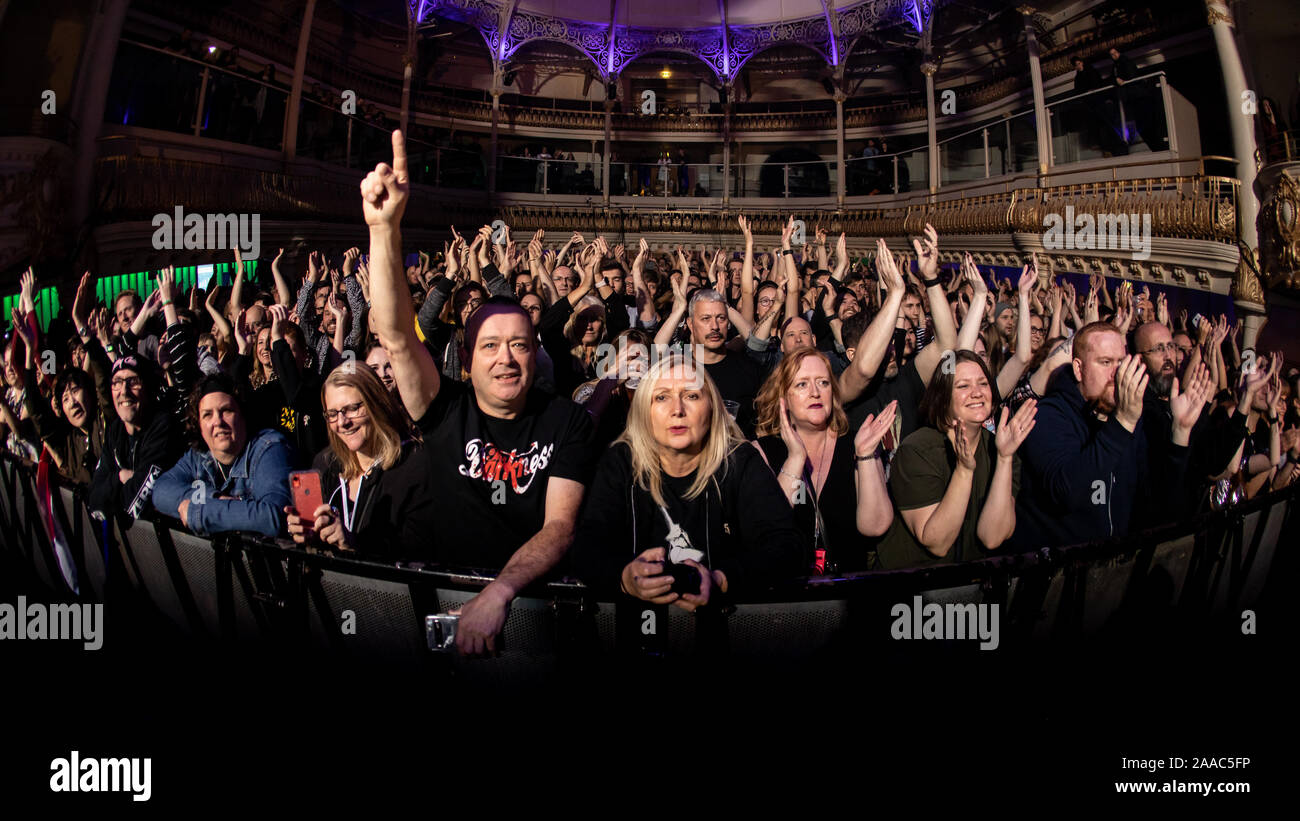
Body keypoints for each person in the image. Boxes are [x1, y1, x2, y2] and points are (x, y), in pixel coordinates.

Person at [361, 129, 595, 655]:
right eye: (490, 346)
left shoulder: (567, 422)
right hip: (448, 602)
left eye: (519, 345)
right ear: (466, 360)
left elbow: (559, 528)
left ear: (537, 354)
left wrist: (500, 592)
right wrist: (383, 230)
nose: (506, 358)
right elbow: (396, 333)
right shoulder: (443, 408)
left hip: (533, 609)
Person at [571, 354, 803, 608]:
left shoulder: (740, 461)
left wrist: (720, 580)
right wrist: (625, 578)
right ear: (643, 411)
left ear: (713, 407)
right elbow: (587, 546)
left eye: (691, 395)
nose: (677, 410)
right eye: (661, 397)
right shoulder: (621, 461)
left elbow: (786, 547)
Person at [1011, 321, 1205, 549]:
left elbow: (1157, 508)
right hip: (1058, 575)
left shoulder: (1131, 416)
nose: (1117, 373)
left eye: (1121, 362)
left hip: (1113, 574)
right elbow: (1065, 493)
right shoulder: (1046, 415)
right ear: (1078, 368)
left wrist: (1180, 434)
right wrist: (1122, 423)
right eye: (1105, 362)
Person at [876, 351, 1037, 568]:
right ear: (943, 398)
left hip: (972, 588)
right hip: (916, 592)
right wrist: (963, 471)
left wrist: (1005, 459)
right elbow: (937, 543)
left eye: (983, 383)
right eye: (963, 386)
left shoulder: (1000, 447)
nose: (977, 393)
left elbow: (992, 537)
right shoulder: (916, 451)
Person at [752, 348, 897, 573]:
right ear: (784, 399)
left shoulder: (856, 444)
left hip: (848, 593)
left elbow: (875, 527)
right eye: (802, 384)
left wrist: (866, 454)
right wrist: (795, 458)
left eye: (823, 383)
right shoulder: (761, 452)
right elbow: (764, 528)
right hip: (787, 595)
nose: (815, 393)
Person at [284, 366, 437, 557]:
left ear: (376, 403)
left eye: (352, 409)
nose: (342, 422)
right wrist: (309, 538)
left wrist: (355, 543)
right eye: (332, 414)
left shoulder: (415, 466)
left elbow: (421, 551)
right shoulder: (326, 465)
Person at [87, 268, 197, 520]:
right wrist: (119, 477)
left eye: (133, 382)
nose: (123, 390)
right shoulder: (116, 430)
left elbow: (132, 509)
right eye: (117, 383)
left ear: (147, 386)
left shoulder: (165, 418)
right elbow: (92, 501)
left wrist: (168, 304)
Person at [153, 373, 294, 538]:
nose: (217, 422)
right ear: (198, 423)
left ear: (242, 414)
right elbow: (161, 490)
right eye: (207, 415)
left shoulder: (269, 448)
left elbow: (273, 516)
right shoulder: (198, 456)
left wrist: (201, 512)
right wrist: (215, 498)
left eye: (226, 411)